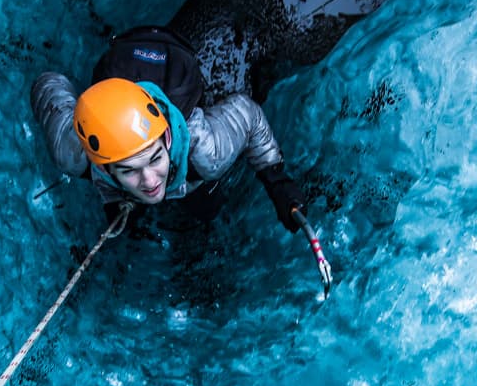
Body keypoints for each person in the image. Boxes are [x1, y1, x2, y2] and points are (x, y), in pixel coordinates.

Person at [30, 24, 306, 232]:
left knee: (207, 208)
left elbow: (248, 115)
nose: (150, 180)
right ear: (103, 168)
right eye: (129, 169)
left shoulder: (205, 151)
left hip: (172, 65)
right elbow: (47, 84)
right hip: (125, 70)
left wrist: (275, 179)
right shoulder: (73, 150)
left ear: (169, 137)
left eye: (154, 158)